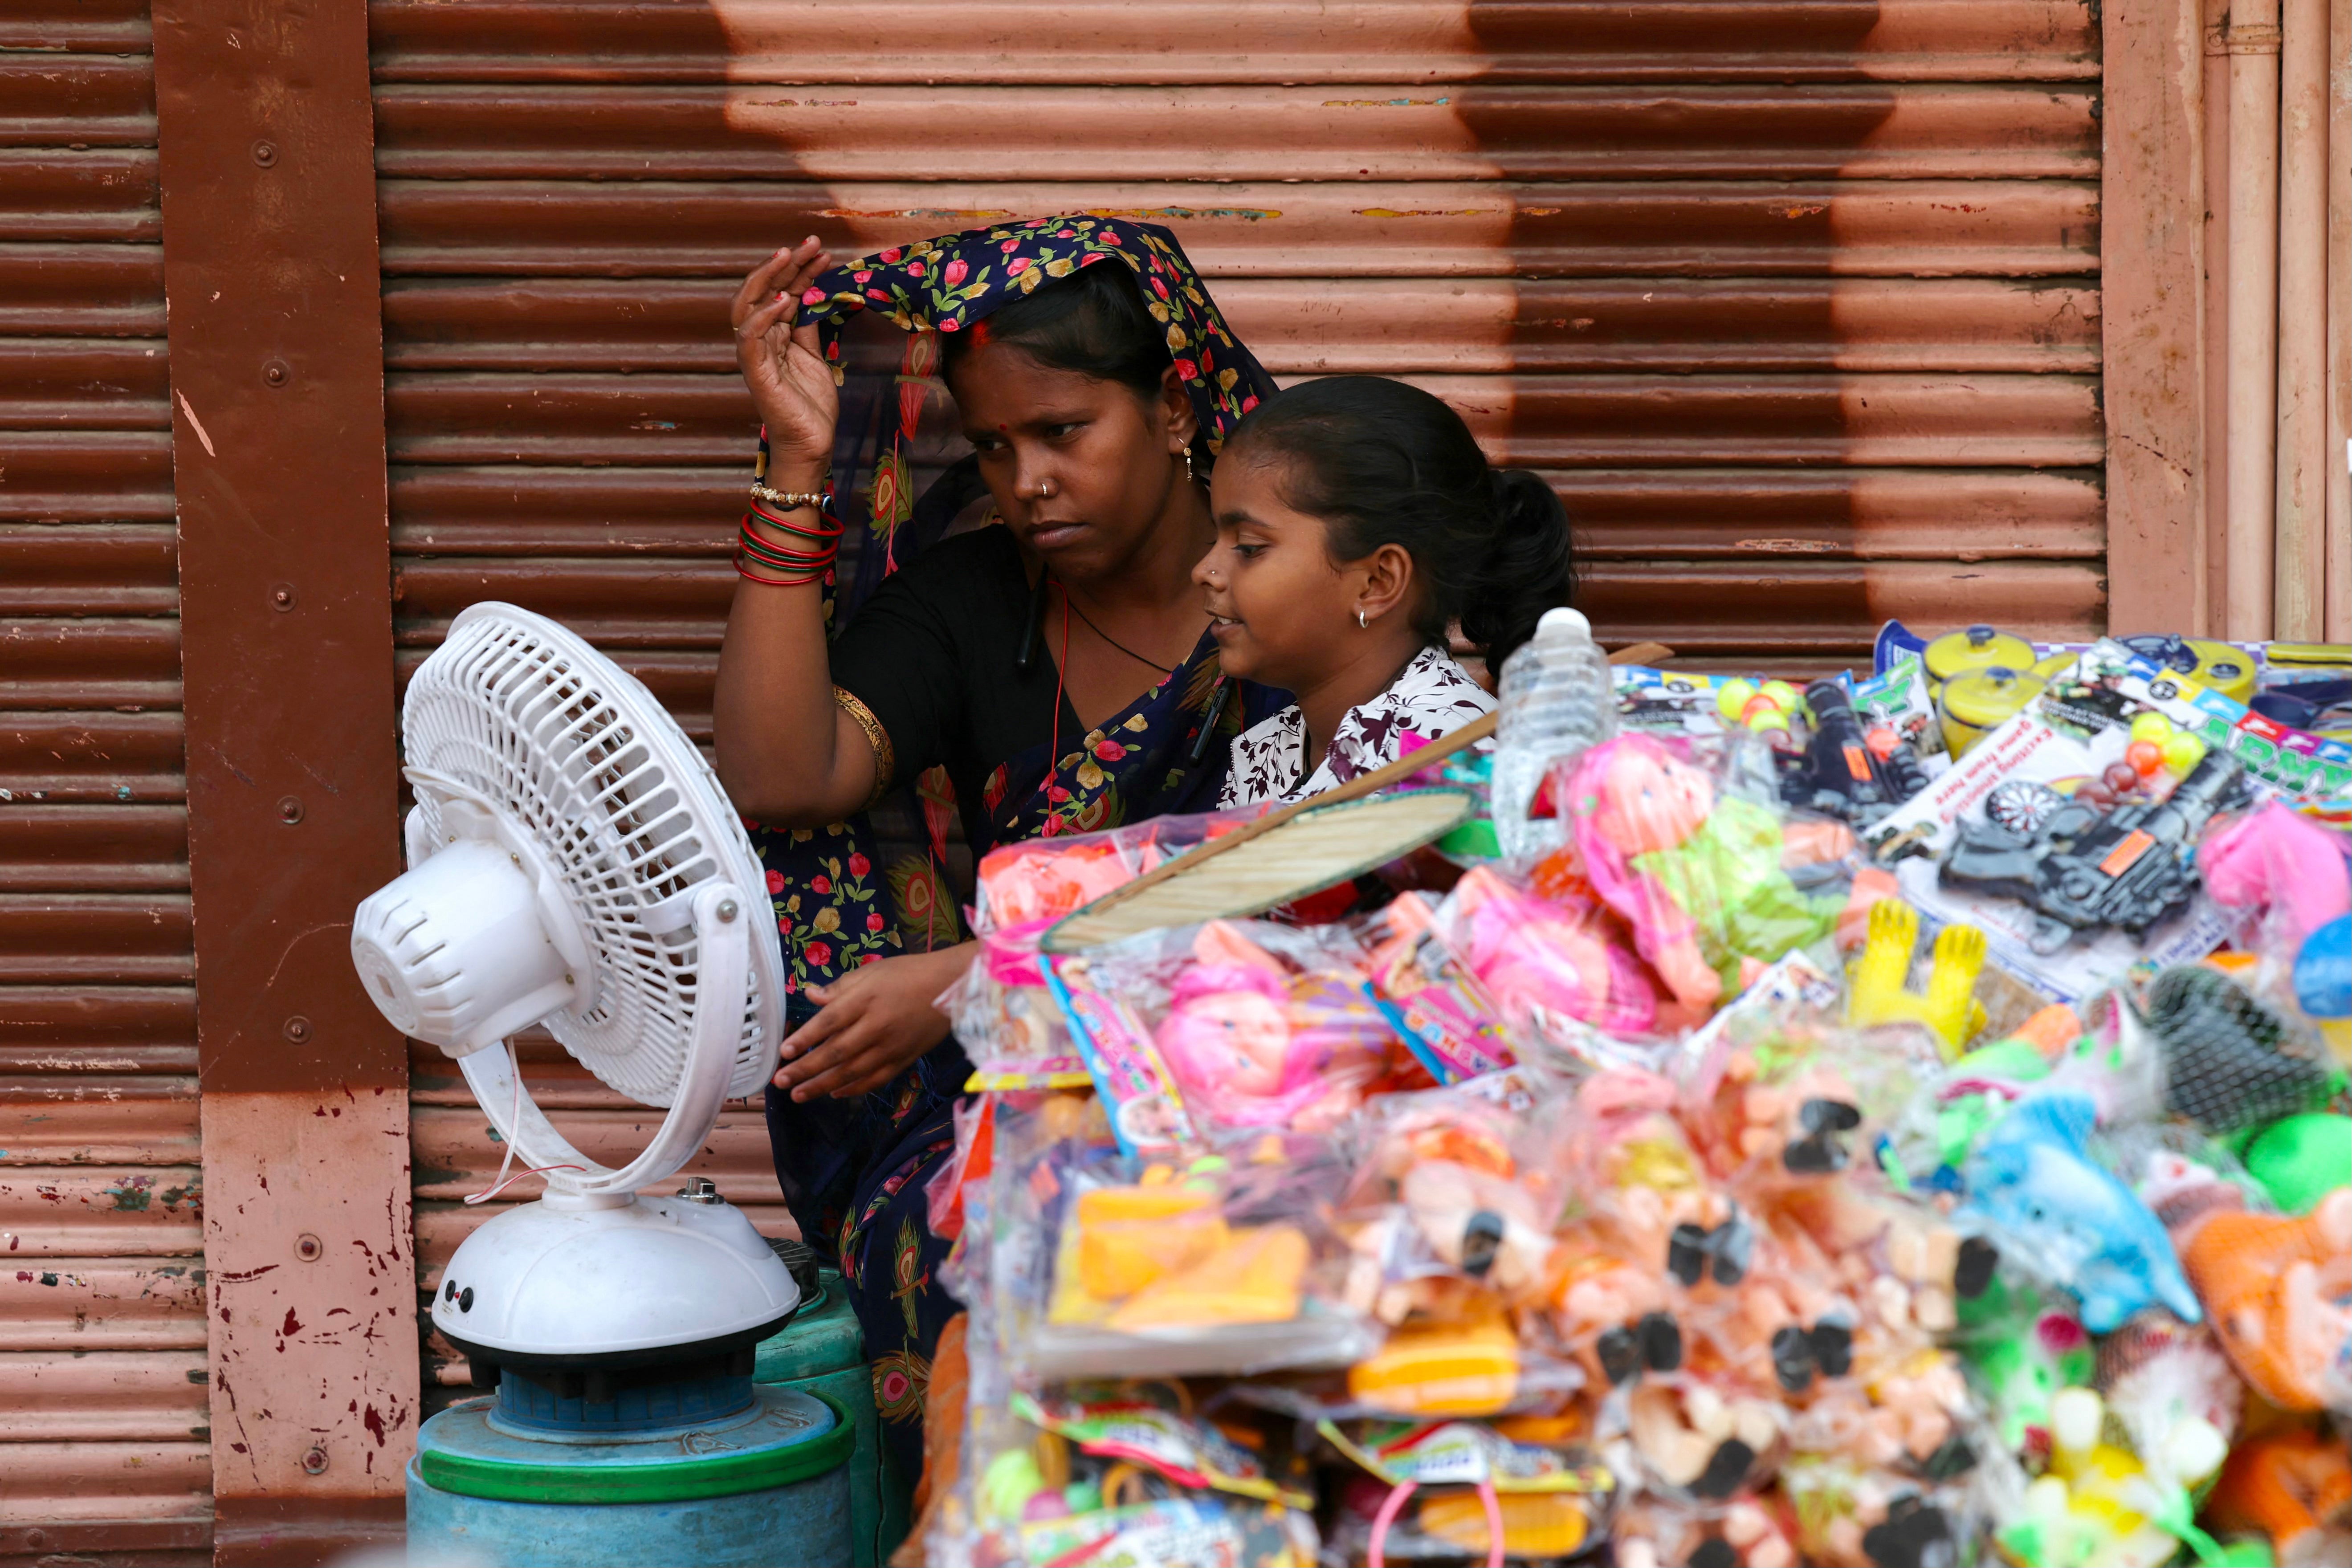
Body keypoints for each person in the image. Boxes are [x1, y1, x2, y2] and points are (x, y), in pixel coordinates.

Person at [713, 216, 1285, 1474]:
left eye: (1064, 432)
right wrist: (796, 469)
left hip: (1262, 1068)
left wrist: (989, 971)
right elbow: (779, 775)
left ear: (1177, 409)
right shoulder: (979, 601)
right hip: (1007, 1094)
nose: (1027, 479)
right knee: (967, 1237)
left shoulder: (1284, 599)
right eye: (993, 444)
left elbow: (1328, 876)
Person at [1195, 375, 1576, 806]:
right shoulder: (1267, 750)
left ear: (1377, 582)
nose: (1204, 571)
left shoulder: (1452, 768)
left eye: (1248, 547)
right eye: (1215, 540)